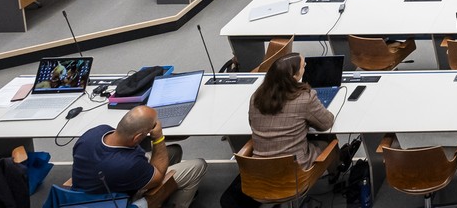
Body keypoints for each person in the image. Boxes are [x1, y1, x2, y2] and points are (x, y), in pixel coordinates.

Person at [219, 52, 335, 208]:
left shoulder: (256, 98)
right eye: (303, 66)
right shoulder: (305, 98)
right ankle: (337, 174)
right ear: (294, 76)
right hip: (296, 174)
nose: (305, 68)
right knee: (330, 140)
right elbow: (326, 123)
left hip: (259, 173)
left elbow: (252, 124)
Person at [73, 105, 206, 208]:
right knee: (198, 165)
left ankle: (167, 193)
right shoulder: (127, 164)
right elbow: (158, 177)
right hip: (114, 202)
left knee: (174, 151)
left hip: (84, 195)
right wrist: (158, 137)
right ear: (137, 137)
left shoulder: (96, 132)